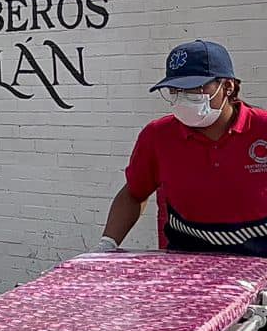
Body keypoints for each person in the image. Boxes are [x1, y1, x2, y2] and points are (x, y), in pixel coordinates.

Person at [97, 40, 267, 256]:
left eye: (195, 88)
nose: (183, 96)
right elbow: (134, 193)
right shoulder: (158, 136)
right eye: (175, 90)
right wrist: (106, 245)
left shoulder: (262, 129)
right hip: (184, 265)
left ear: (227, 86)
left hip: (259, 262)